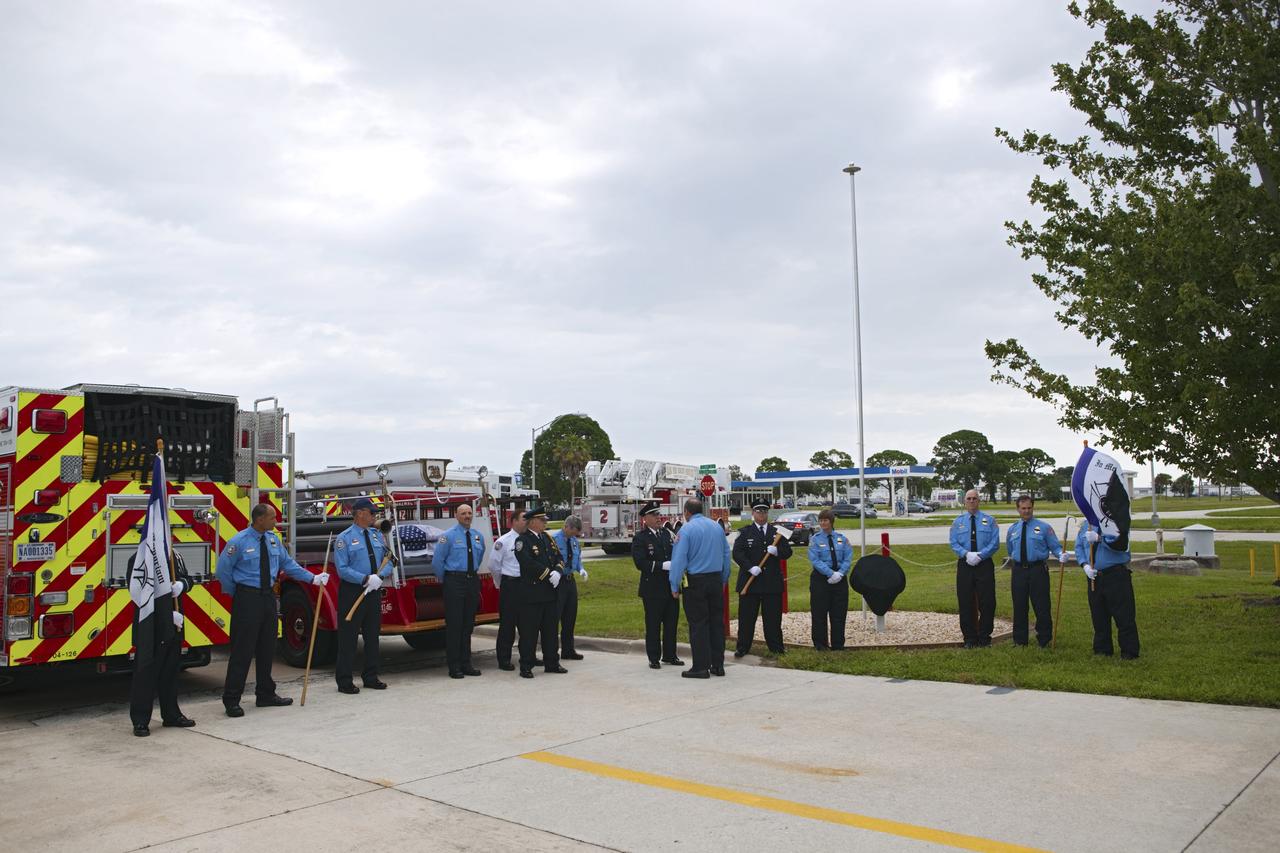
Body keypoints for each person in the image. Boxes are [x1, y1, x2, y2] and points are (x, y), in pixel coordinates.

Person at [217, 503, 329, 716]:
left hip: (268, 598)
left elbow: (288, 565)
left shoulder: (272, 539)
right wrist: (239, 593)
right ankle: (231, 699)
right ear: (259, 519)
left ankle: (265, 694)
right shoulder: (238, 542)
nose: (275, 521)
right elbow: (223, 571)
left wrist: (313, 578)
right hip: (247, 598)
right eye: (272, 518)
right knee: (242, 651)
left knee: (267, 647)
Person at [128, 555, 195, 736]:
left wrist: (182, 584)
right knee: (146, 675)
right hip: (151, 628)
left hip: (173, 627)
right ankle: (140, 721)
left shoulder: (175, 557)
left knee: (171, 673)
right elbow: (139, 593)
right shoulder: (139, 559)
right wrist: (166, 615)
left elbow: (188, 579)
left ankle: (171, 714)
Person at [333, 497, 394, 693]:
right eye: (372, 513)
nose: (375, 517)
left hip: (373, 591)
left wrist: (380, 576)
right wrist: (364, 579)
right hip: (353, 591)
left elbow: (390, 559)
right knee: (348, 638)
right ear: (360, 513)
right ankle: (344, 681)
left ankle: (371, 676)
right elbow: (342, 569)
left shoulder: (376, 536)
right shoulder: (345, 538)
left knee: (372, 636)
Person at [668, 498, 732, 679]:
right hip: (715, 580)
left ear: (687, 512)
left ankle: (700, 667)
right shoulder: (716, 527)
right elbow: (726, 555)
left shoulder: (686, 530)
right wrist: (723, 578)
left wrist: (674, 584)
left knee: (698, 624)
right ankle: (718, 665)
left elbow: (679, 560)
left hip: (695, 582)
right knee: (716, 623)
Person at [732, 501, 792, 657]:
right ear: (753, 513)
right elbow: (737, 553)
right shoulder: (745, 532)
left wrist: (777, 551)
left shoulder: (776, 533)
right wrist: (750, 567)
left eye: (764, 512)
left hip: (771, 584)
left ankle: (776, 647)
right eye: (758, 512)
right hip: (750, 582)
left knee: (772, 619)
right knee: (746, 618)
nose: (761, 515)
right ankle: (743, 647)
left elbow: (788, 552)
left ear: (768, 514)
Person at [513, 505, 567, 678]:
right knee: (529, 632)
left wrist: (558, 571)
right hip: (532, 594)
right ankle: (526, 665)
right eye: (542, 520)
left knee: (551, 631)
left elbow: (559, 557)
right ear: (533, 521)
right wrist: (546, 574)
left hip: (550, 593)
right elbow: (527, 563)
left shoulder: (547, 538)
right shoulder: (523, 540)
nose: (545, 523)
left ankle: (552, 662)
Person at [434, 503, 486, 679]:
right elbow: (437, 562)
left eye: (470, 513)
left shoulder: (478, 537)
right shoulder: (447, 537)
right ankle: (454, 666)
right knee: (455, 626)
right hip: (454, 581)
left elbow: (479, 556)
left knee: (468, 625)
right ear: (456, 516)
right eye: (463, 513)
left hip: (471, 580)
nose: (467, 516)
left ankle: (466, 663)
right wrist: (447, 580)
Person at [1005, 495, 1065, 648]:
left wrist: (1060, 555)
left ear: (1033, 508)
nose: (1026, 511)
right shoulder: (1013, 529)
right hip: (1018, 571)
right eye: (1023, 508)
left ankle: (1044, 639)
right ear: (1018, 509)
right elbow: (1010, 549)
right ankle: (1020, 640)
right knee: (1019, 606)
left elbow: (1055, 547)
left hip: (1037, 570)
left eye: (1029, 508)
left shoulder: (1044, 527)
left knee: (1041, 605)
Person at [1075, 521, 1140, 659]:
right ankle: (1102, 649)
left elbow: (1122, 545)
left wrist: (1100, 539)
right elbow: (1079, 547)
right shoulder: (1086, 525)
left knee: (1123, 615)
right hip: (1094, 577)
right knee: (1098, 615)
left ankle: (1129, 651)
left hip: (1115, 575)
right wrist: (1085, 565)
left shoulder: (1116, 523)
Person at [631, 500, 682, 669]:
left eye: (658, 514)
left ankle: (670, 655)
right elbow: (640, 563)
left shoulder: (667, 534)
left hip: (669, 587)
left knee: (671, 623)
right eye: (654, 515)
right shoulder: (640, 538)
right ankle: (653, 657)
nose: (658, 517)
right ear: (645, 518)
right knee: (653, 625)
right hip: (652, 589)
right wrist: (661, 566)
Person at [949, 489, 1001, 648]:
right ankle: (969, 638)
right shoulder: (958, 522)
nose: (972, 501)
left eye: (975, 498)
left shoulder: (989, 520)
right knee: (965, 601)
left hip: (984, 564)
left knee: (987, 602)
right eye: (969, 499)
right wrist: (966, 554)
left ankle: (985, 637)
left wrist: (981, 555)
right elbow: (953, 542)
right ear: (964, 502)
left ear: (979, 501)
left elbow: (995, 542)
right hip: (965, 565)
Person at [807, 509, 852, 650]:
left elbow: (848, 557)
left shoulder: (842, 539)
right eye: (820, 521)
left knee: (839, 613)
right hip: (821, 580)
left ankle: (838, 644)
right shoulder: (814, 540)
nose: (822, 523)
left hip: (840, 580)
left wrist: (840, 573)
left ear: (831, 522)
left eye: (825, 520)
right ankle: (820, 645)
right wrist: (830, 573)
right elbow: (815, 559)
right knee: (819, 614)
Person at [490, 507, 528, 671]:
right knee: (508, 624)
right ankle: (504, 659)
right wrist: (501, 584)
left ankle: (528, 656)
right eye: (523, 519)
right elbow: (494, 565)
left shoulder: (529, 539)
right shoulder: (503, 541)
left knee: (527, 623)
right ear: (514, 521)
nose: (526, 522)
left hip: (526, 585)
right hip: (510, 585)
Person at [551, 516, 587, 660]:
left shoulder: (574, 541)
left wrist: (581, 570)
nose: (574, 535)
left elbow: (577, 559)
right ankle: (552, 650)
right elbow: (552, 559)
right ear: (567, 527)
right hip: (558, 581)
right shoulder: (554, 540)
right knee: (555, 617)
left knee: (570, 616)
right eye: (573, 531)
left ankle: (568, 649)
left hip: (570, 581)